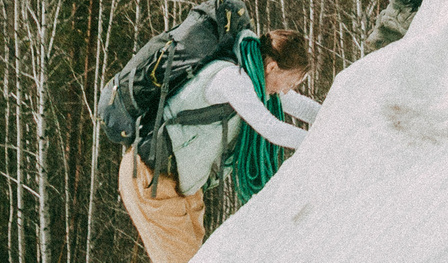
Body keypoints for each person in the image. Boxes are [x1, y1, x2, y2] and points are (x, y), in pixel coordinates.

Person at [118, 27, 314, 262]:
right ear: (272, 67)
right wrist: (319, 143)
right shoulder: (231, 78)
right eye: (289, 82)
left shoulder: (256, 81)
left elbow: (301, 106)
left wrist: (343, 118)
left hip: (183, 185)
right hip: (151, 176)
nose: (285, 90)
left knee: (199, 257)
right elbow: (270, 127)